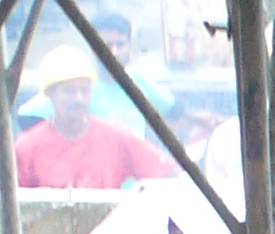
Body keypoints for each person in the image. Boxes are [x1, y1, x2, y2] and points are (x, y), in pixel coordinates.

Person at [12, 44, 174, 191]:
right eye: (69, 91)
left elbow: (167, 174)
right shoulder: (27, 148)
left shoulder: (116, 137)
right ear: (50, 94)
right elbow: (16, 206)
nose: (79, 99)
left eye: (85, 90)